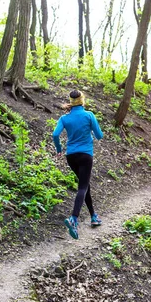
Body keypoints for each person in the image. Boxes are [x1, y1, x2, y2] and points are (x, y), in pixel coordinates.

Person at [52, 90, 103, 239]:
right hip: (86, 155)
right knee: (83, 187)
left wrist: (59, 149)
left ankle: (94, 216)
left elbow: (55, 135)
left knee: (85, 185)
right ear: (82, 101)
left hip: (71, 156)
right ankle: (73, 219)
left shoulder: (64, 118)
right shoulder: (89, 115)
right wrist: (91, 134)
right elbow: (99, 136)